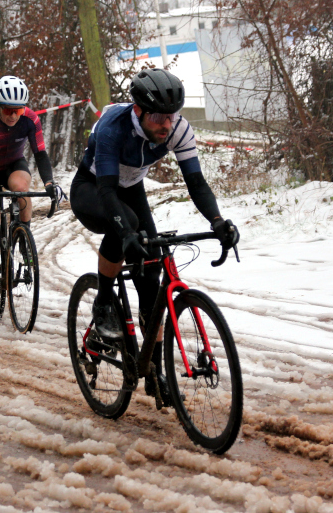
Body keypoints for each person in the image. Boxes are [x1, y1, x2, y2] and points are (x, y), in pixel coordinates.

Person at [70, 68, 239, 404]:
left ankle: (153, 370)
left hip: (131, 190)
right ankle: (104, 299)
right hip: (93, 189)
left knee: (150, 274)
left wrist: (218, 220)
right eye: (160, 117)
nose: (167, 124)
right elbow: (106, 190)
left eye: (172, 116)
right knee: (126, 227)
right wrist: (126, 232)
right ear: (139, 111)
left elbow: (196, 183)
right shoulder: (112, 127)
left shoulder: (178, 130)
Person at [0, 75, 60, 309]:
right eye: (8, 110)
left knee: (22, 190)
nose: (12, 116)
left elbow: (40, 154)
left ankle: (23, 239)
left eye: (17, 111)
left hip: (12, 166)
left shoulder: (30, 120)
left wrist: (49, 182)